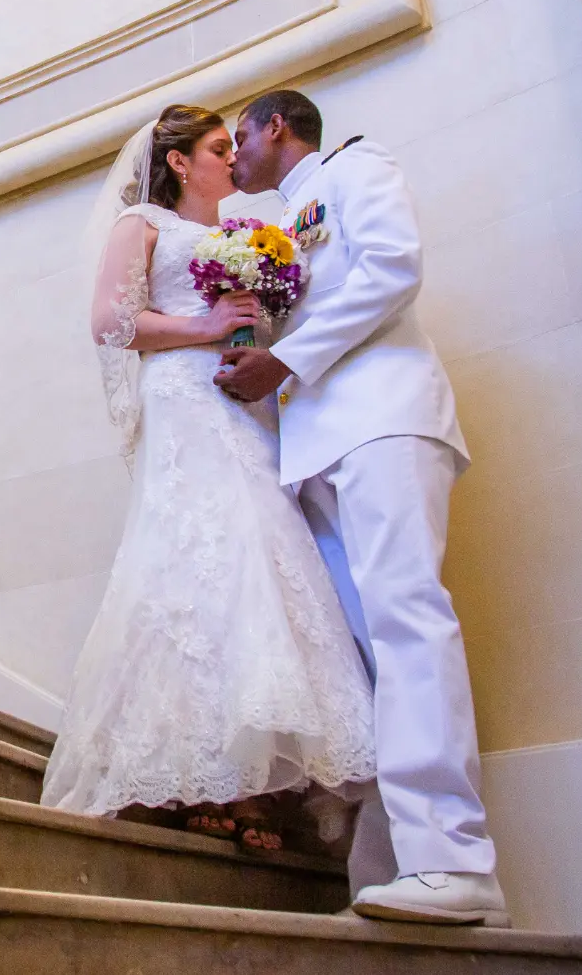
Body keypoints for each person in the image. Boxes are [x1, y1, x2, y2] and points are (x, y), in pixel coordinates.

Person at [39, 104, 375, 850]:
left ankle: (247, 776)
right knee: (195, 559)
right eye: (218, 148)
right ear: (181, 161)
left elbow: (250, 327)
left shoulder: (242, 239)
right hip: (183, 399)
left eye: (233, 145)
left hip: (239, 402)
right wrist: (205, 327)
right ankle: (191, 775)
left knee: (257, 557)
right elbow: (110, 323)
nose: (232, 158)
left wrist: (258, 323)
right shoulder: (143, 225)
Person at [219, 88, 507, 925]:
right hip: (313, 453)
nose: (234, 155)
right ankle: (391, 871)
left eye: (240, 135)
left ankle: (454, 858)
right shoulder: (269, 232)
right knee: (365, 661)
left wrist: (286, 359)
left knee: (406, 621)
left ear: (278, 127)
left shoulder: (355, 167)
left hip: (383, 421)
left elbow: (391, 266)